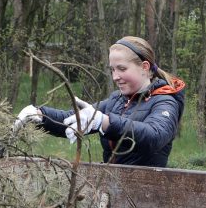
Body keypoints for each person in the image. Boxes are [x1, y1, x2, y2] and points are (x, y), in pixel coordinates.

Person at [14, 36, 185, 167]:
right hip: (110, 188)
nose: (115, 77)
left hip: (148, 197)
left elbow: (155, 136)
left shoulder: (165, 102)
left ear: (145, 67)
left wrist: (104, 122)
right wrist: (40, 115)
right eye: (112, 70)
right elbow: (71, 119)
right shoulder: (116, 101)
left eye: (122, 69)